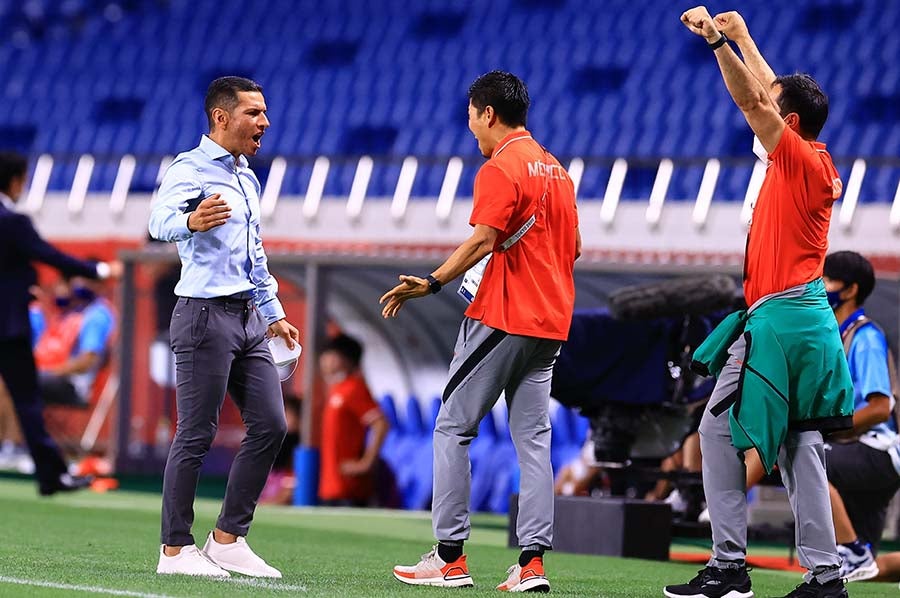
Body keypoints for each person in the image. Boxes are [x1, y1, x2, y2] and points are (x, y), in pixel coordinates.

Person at [670, 9, 853, 598]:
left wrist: (720, 43)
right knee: (801, 445)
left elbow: (757, 105)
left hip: (778, 320)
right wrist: (747, 38)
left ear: (789, 120)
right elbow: (771, 100)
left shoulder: (796, 160)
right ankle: (827, 577)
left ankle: (729, 568)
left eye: (776, 109)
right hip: (805, 320)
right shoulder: (808, 162)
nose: (763, 113)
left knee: (717, 432)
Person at [383, 70, 581, 592]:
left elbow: (484, 239)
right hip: (551, 324)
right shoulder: (558, 172)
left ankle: (449, 558)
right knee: (534, 443)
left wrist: (433, 281)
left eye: (471, 115)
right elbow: (571, 251)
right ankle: (532, 565)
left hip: (504, 317)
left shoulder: (501, 167)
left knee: (452, 427)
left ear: (487, 113)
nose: (470, 126)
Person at [148, 76, 300, 578]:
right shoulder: (188, 169)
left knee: (272, 425)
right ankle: (174, 550)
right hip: (203, 314)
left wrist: (274, 313)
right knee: (196, 432)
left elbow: (254, 252)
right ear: (221, 117)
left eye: (264, 113)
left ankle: (228, 538)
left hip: (247, 316)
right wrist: (190, 221)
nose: (265, 123)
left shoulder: (247, 177)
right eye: (254, 113)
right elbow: (158, 221)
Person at [0, 151, 120, 496]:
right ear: (14, 181)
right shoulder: (12, 222)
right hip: (8, 327)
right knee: (26, 400)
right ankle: (52, 475)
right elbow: (49, 254)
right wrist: (98, 270)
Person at [820, 251, 900, 582]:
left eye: (826, 280)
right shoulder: (836, 334)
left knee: (801, 458)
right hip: (866, 455)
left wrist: (829, 430)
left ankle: (722, 525)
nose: (819, 287)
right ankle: (856, 552)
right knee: (864, 571)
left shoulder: (865, 337)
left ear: (850, 289)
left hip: (875, 451)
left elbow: (881, 407)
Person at [317, 334, 389, 506]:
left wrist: (366, 463)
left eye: (332, 356)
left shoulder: (354, 387)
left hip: (350, 485)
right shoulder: (336, 388)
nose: (326, 361)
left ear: (348, 360)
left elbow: (381, 423)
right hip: (332, 483)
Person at [33, 274, 115, 407]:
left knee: (19, 381)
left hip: (72, 383)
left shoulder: (97, 314)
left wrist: (51, 371)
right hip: (50, 375)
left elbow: (87, 361)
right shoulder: (69, 314)